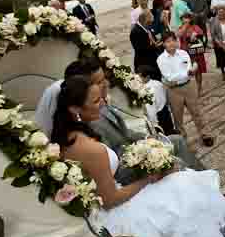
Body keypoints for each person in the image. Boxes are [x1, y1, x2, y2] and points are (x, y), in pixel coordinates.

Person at [52, 75, 225, 237]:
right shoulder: (90, 150)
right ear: (74, 110)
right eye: (95, 101)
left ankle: (219, 222)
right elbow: (111, 198)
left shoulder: (69, 138)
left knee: (183, 181)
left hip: (113, 195)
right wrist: (149, 179)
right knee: (182, 187)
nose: (102, 103)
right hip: (116, 208)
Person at [35, 58, 201, 179]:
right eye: (99, 82)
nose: (106, 84)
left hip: (136, 150)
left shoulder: (100, 103)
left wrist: (149, 139)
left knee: (176, 140)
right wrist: (150, 153)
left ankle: (206, 179)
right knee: (176, 161)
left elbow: (125, 133)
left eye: (104, 78)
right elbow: (113, 167)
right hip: (129, 167)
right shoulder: (88, 125)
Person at [157, 32, 214, 147]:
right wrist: (187, 73)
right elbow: (169, 77)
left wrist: (188, 72)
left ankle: (204, 134)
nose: (171, 43)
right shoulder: (161, 59)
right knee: (178, 117)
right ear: (163, 44)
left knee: (196, 112)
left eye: (173, 40)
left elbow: (188, 67)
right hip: (174, 90)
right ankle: (183, 140)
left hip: (189, 86)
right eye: (168, 41)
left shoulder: (183, 53)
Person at [137, 64, 177, 136]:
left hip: (158, 117)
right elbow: (166, 96)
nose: (138, 79)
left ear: (147, 77)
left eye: (140, 77)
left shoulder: (147, 90)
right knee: (170, 132)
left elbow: (151, 109)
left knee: (165, 138)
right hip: (165, 112)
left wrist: (154, 124)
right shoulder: (158, 83)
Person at [178, 12, 207, 96]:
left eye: (186, 18)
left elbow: (202, 36)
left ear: (190, 19)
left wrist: (196, 36)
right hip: (185, 53)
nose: (185, 20)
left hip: (196, 52)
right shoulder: (181, 28)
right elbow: (179, 35)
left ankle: (199, 88)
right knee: (186, 71)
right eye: (183, 18)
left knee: (198, 72)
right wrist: (185, 27)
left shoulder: (195, 27)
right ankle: (188, 88)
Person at [131, 11, 162, 80]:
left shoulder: (147, 28)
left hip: (152, 62)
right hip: (144, 65)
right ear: (143, 21)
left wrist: (157, 42)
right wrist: (156, 46)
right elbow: (142, 50)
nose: (151, 24)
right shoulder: (135, 32)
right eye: (149, 22)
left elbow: (153, 39)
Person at [209, 6, 225, 81]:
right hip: (219, 43)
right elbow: (213, 35)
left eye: (223, 12)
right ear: (217, 12)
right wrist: (221, 44)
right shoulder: (213, 21)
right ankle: (223, 72)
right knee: (221, 59)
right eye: (219, 12)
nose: (221, 13)